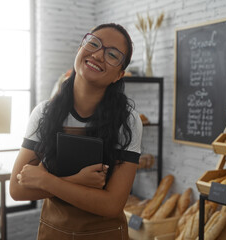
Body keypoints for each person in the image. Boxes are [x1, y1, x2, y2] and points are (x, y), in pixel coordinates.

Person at [10, 23, 142, 240]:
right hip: (54, 233)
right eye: (93, 43)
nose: (98, 55)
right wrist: (77, 180)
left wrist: (46, 180)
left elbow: (111, 205)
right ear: (80, 48)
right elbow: (17, 189)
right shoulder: (44, 113)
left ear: (119, 75)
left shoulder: (127, 121)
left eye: (112, 54)